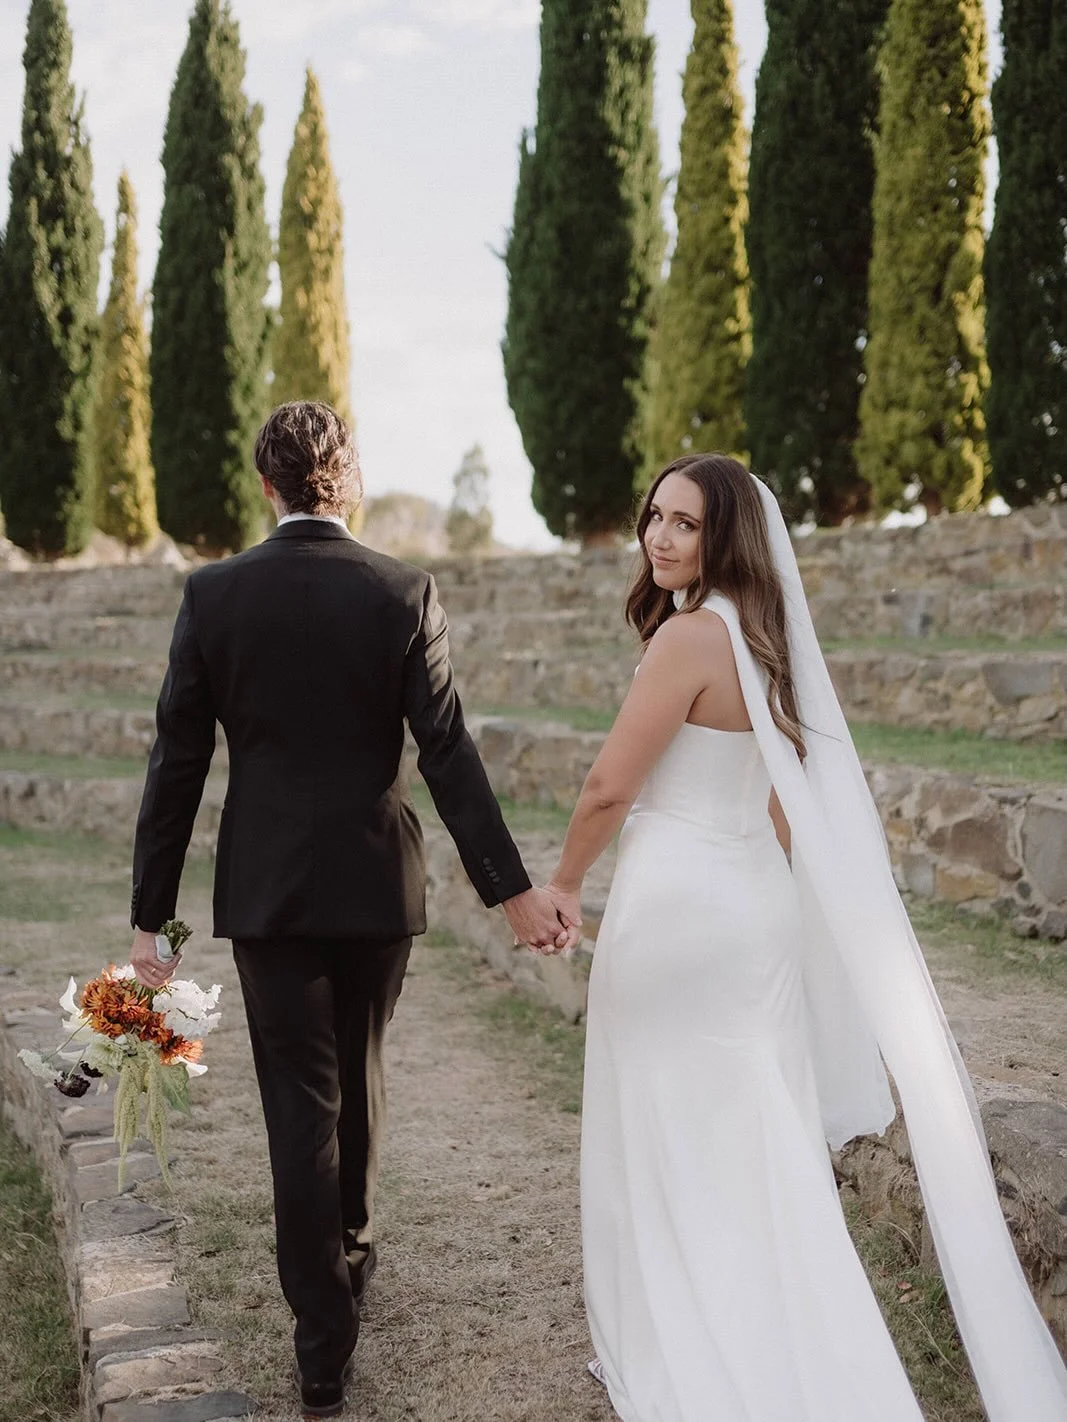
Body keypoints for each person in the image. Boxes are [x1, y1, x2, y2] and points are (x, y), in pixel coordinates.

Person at [539, 454, 1067, 1422]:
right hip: (752, 911)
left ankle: (680, 1339)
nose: (658, 536)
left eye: (684, 523)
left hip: (674, 910)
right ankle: (791, 1335)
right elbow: (790, 812)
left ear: (725, 535)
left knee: (660, 1124)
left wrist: (565, 881)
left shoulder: (686, 640)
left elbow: (607, 787)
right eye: (653, 516)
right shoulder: (767, 637)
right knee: (756, 1137)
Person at [127, 402, 571, 1420]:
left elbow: (176, 763)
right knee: (357, 1079)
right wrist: (508, 891)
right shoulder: (401, 591)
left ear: (266, 485)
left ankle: (321, 1342)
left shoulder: (214, 595)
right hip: (376, 884)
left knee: (301, 1105)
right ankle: (350, 1256)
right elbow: (448, 753)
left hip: (269, 892)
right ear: (347, 480)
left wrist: (152, 918)